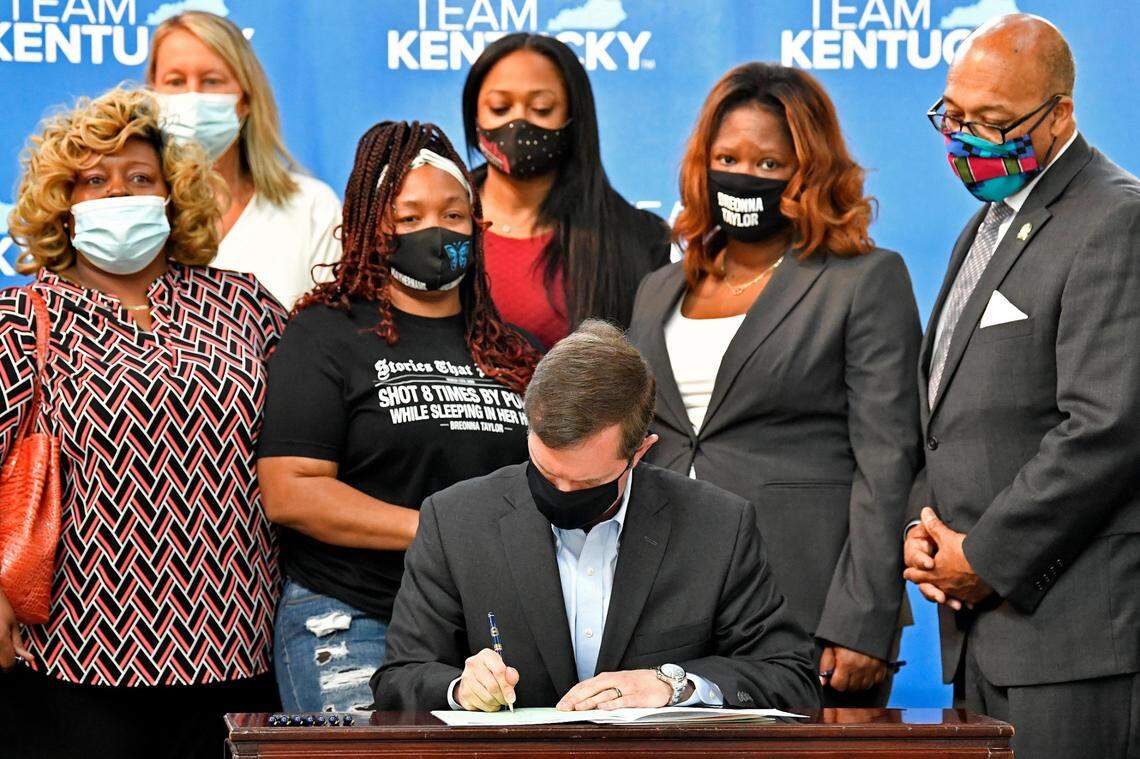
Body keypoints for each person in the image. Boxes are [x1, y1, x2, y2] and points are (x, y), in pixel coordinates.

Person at [0, 87, 285, 758]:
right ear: (62, 206)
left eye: (138, 178)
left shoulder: (244, 303)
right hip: (72, 655)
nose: (117, 193)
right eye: (93, 180)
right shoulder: (20, 318)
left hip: (239, 646)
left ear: (171, 193)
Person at [627, 63, 922, 708]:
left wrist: (862, 617)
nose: (745, 176)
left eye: (769, 164)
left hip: (805, 607)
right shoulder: (658, 290)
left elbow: (888, 460)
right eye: (727, 157)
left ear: (807, 172)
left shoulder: (864, 279)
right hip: (663, 606)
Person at [903, 14, 1140, 759]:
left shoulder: (1115, 218)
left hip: (1070, 638)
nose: (965, 138)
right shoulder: (988, 223)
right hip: (984, 633)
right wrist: (926, 532)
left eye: (993, 122)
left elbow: (1107, 425)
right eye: (955, 115)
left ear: (1060, 114)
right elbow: (949, 415)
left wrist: (987, 556)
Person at [372, 320, 820, 712]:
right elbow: (399, 678)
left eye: (586, 484)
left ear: (640, 452)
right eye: (546, 473)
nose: (562, 492)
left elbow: (790, 678)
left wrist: (673, 684)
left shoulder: (718, 526)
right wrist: (459, 688)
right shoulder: (456, 521)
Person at [257, 121, 542, 714]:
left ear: (477, 225)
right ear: (373, 229)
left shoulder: (515, 351)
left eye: (453, 215)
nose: (434, 231)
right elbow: (291, 491)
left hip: (484, 626)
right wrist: (440, 532)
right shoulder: (326, 334)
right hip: (352, 615)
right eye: (408, 218)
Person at [461, 33, 671, 347]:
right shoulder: (433, 226)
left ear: (574, 118)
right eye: (500, 108)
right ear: (474, 116)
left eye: (542, 109)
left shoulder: (636, 239)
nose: (519, 123)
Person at [146, 10, 342, 309]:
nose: (193, 98)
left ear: (246, 100)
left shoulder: (311, 208)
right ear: (153, 95)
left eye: (212, 81)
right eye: (175, 81)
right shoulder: (132, 215)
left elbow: (332, 336)